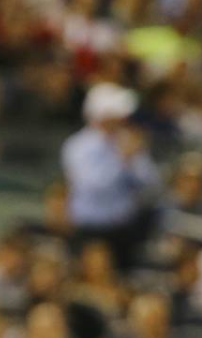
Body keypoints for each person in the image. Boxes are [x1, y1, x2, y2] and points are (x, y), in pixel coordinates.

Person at [61, 82, 160, 269]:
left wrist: (133, 161)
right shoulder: (78, 146)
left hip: (125, 228)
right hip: (90, 230)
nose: (123, 118)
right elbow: (94, 186)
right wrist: (123, 159)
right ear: (102, 115)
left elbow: (151, 183)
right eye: (117, 114)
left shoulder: (127, 140)